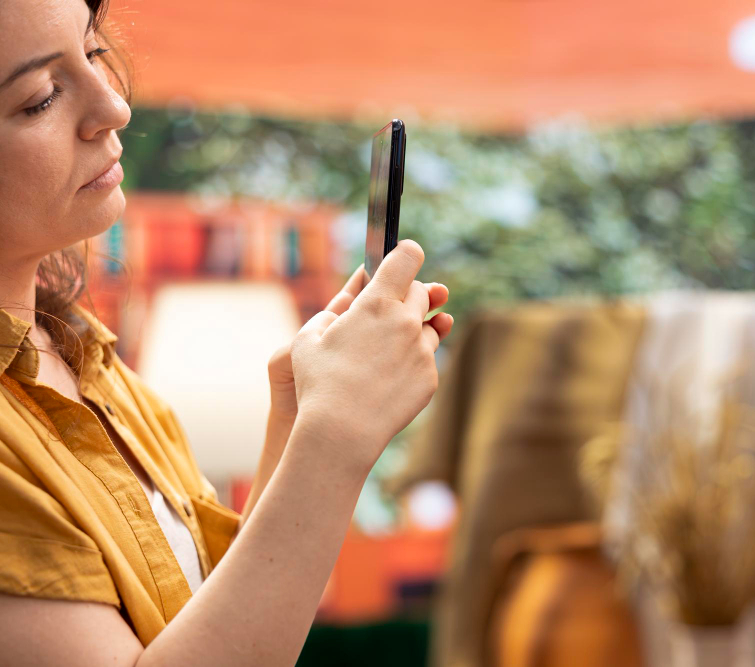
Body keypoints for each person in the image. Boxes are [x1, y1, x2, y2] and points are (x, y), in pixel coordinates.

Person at [0, 0, 454, 664]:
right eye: (41, 98)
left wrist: (300, 419)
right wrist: (335, 439)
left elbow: (219, 624)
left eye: (95, 52)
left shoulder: (89, 360)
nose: (114, 107)